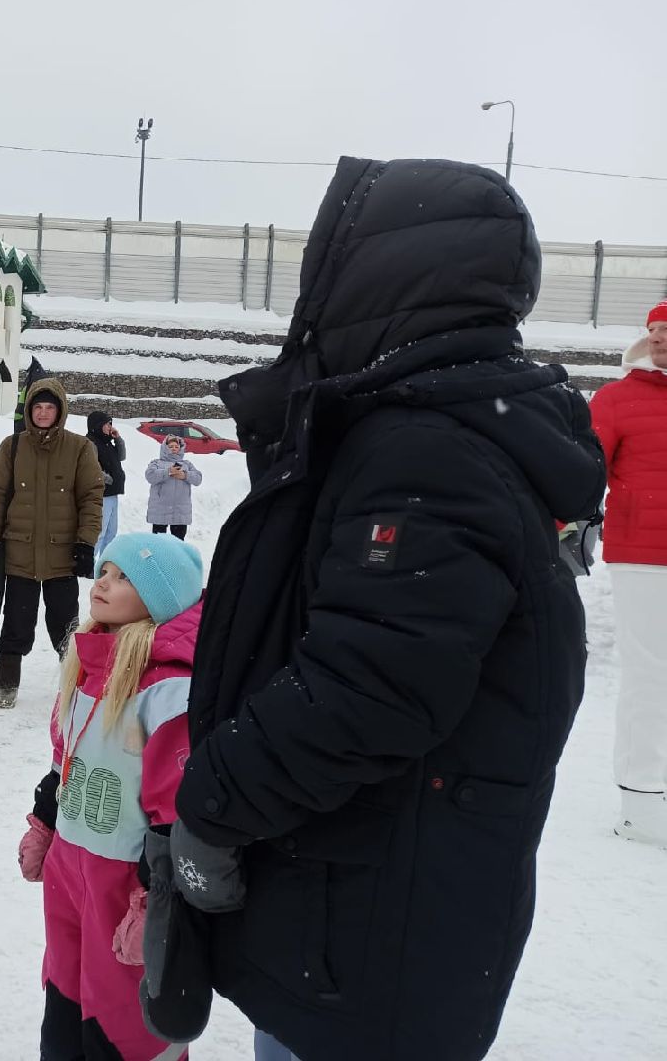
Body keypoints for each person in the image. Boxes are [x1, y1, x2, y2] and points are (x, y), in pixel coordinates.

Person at [159, 158, 604, 1061]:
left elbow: (369, 687)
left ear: (383, 273)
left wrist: (212, 801)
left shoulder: (425, 453)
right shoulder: (437, 430)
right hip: (369, 910)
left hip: (366, 930)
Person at [17, 533, 203, 1061]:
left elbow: (175, 807)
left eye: (125, 578)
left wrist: (155, 898)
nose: (103, 583)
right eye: (105, 570)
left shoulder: (167, 690)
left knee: (123, 1017)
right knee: (65, 991)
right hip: (70, 867)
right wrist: (45, 824)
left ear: (159, 599)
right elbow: (65, 760)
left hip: (126, 880)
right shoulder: (87, 665)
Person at [589, 300, 667, 847]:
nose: (660, 338)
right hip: (646, 555)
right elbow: (582, 470)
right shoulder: (616, 399)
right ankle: (644, 804)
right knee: (651, 675)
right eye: (655, 331)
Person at [0, 379, 104, 709]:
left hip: (62, 556)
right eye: (38, 407)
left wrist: (85, 544)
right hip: (19, 553)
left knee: (66, 628)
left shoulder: (80, 449)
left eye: (50, 407)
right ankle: (6, 685)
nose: (44, 413)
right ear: (30, 410)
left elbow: (92, 499)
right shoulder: (12, 447)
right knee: (16, 624)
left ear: (60, 411)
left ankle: (78, 688)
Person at [144, 436, 201, 540]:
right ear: (165, 448)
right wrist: (168, 472)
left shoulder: (187, 464)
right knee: (159, 543)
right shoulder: (156, 463)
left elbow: (198, 479)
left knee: (178, 544)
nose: (174, 448)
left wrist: (185, 475)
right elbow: (150, 476)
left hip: (180, 511)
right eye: (170, 446)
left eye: (176, 446)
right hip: (160, 511)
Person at [87, 412, 126, 559]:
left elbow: (121, 456)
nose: (111, 427)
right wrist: (107, 479)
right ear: (98, 425)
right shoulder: (91, 442)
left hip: (112, 493)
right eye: (107, 424)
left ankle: (105, 562)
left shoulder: (106, 441)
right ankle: (90, 563)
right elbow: (91, 467)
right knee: (100, 532)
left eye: (111, 423)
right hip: (101, 494)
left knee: (111, 532)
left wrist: (118, 439)